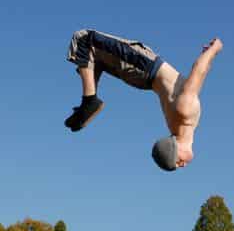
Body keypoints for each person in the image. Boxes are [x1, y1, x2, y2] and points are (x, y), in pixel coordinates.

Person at [65, 29, 223, 171]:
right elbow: (200, 75)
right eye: (177, 163)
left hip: (144, 67)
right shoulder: (183, 122)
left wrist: (214, 49)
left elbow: (198, 71)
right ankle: (89, 100)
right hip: (143, 76)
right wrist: (209, 55)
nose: (181, 165)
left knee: (84, 39)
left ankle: (89, 100)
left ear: (174, 146)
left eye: (176, 162)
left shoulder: (184, 113)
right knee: (96, 55)